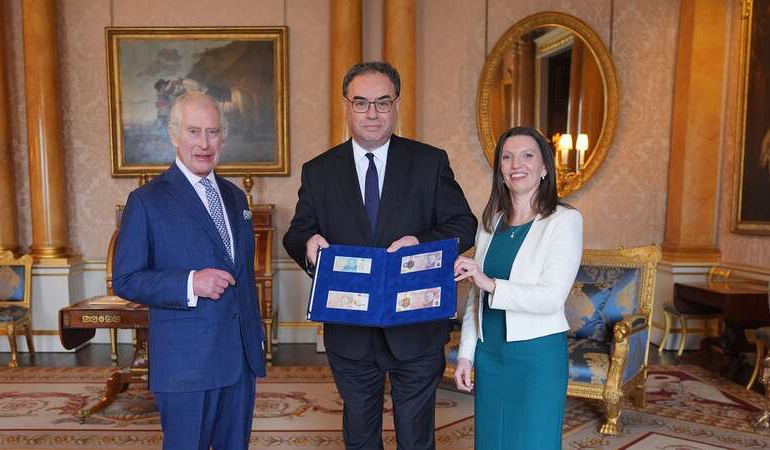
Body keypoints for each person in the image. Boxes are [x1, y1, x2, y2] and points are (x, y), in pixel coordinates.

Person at [283, 61, 477, 450]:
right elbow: (297, 232)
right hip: (350, 329)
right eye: (362, 102)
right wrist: (307, 246)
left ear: (396, 105)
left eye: (382, 102)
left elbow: (463, 224)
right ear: (346, 106)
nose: (372, 113)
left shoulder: (429, 161)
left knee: (415, 436)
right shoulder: (319, 171)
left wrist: (419, 242)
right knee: (359, 435)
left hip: (416, 325)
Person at [113, 91, 266, 450]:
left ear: (223, 138)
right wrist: (189, 283)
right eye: (194, 132)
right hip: (186, 366)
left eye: (212, 132)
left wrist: (254, 338)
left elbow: (242, 275)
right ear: (173, 135)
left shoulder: (234, 197)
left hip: (239, 362)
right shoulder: (146, 201)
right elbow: (126, 278)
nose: (204, 143)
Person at [453, 126, 582, 449]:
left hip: (537, 356)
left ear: (543, 168)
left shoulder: (564, 221)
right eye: (507, 157)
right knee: (492, 441)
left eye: (527, 156)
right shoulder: (490, 223)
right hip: (490, 355)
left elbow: (552, 297)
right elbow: (475, 299)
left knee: (531, 441)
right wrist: (466, 355)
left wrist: (490, 283)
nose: (516, 164)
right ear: (500, 170)